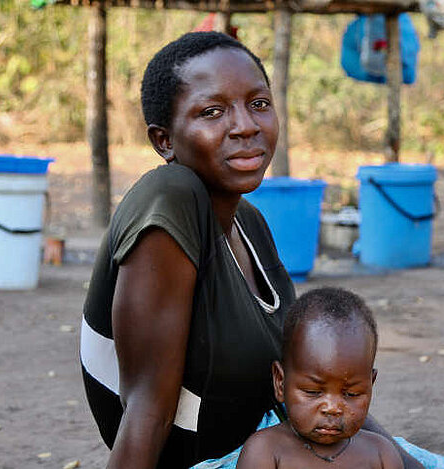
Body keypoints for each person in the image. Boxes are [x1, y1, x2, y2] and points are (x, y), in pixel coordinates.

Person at [79, 31, 424, 469]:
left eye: (259, 104)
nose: (245, 126)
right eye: (212, 111)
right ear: (164, 140)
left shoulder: (250, 223)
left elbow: (307, 382)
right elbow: (148, 406)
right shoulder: (167, 197)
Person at [236, 287, 403, 469]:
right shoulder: (266, 451)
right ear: (280, 383)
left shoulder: (380, 454)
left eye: (351, 394)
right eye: (313, 392)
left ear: (371, 384)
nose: (332, 408)